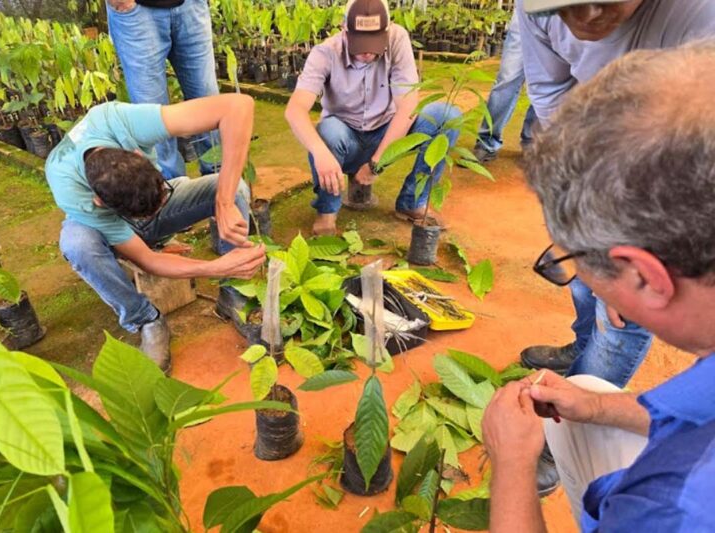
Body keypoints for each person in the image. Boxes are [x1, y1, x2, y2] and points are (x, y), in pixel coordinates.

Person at [483, 41, 715, 532]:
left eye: (570, 260)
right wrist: (595, 407)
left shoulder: (676, 505)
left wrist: (512, 463)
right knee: (588, 386)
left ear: (645, 276)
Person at [517, 0, 715, 390]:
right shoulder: (533, 11)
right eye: (567, 6)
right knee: (586, 275)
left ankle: (587, 396)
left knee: (622, 318)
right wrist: (577, 196)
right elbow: (549, 91)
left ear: (647, 275)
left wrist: (621, 280)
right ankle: (583, 348)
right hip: (607, 153)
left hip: (675, 163)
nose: (588, 15)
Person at [46, 95, 266, 372]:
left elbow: (239, 106)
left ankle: (233, 293)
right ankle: (146, 319)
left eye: (162, 196)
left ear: (138, 155)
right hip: (107, 230)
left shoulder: (119, 121)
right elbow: (146, 259)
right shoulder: (71, 189)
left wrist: (223, 201)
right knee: (77, 244)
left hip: (131, 209)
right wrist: (213, 267)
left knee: (235, 189)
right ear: (99, 201)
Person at [285, 0, 460, 236]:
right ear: (344, 30)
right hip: (344, 137)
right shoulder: (326, 52)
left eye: (374, 43)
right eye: (360, 43)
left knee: (447, 117)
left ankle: (412, 201)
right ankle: (327, 210)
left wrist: (376, 164)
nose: (367, 52)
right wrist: (320, 153)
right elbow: (294, 110)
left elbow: (408, 106)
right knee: (327, 132)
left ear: (387, 30)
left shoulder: (397, 39)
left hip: (387, 131)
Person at [106, 0, 220, 179]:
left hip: (191, 7)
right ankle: (172, 190)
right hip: (137, 14)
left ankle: (222, 186)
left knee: (209, 105)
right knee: (151, 117)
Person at [472, 14, 538, 164]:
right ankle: (486, 142)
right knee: (507, 79)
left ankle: (532, 142)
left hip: (562, 16)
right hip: (526, 15)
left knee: (546, 83)